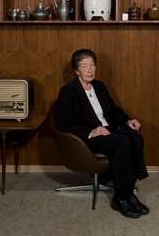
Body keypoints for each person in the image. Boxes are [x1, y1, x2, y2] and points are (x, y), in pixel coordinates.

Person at [55, 49, 149, 218]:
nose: (90, 70)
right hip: (88, 138)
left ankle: (129, 192)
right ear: (76, 70)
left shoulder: (99, 86)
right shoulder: (68, 91)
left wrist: (128, 120)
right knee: (122, 143)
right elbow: (64, 123)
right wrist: (92, 131)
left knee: (135, 136)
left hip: (109, 129)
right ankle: (120, 198)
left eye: (92, 65)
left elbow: (113, 110)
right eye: (84, 66)